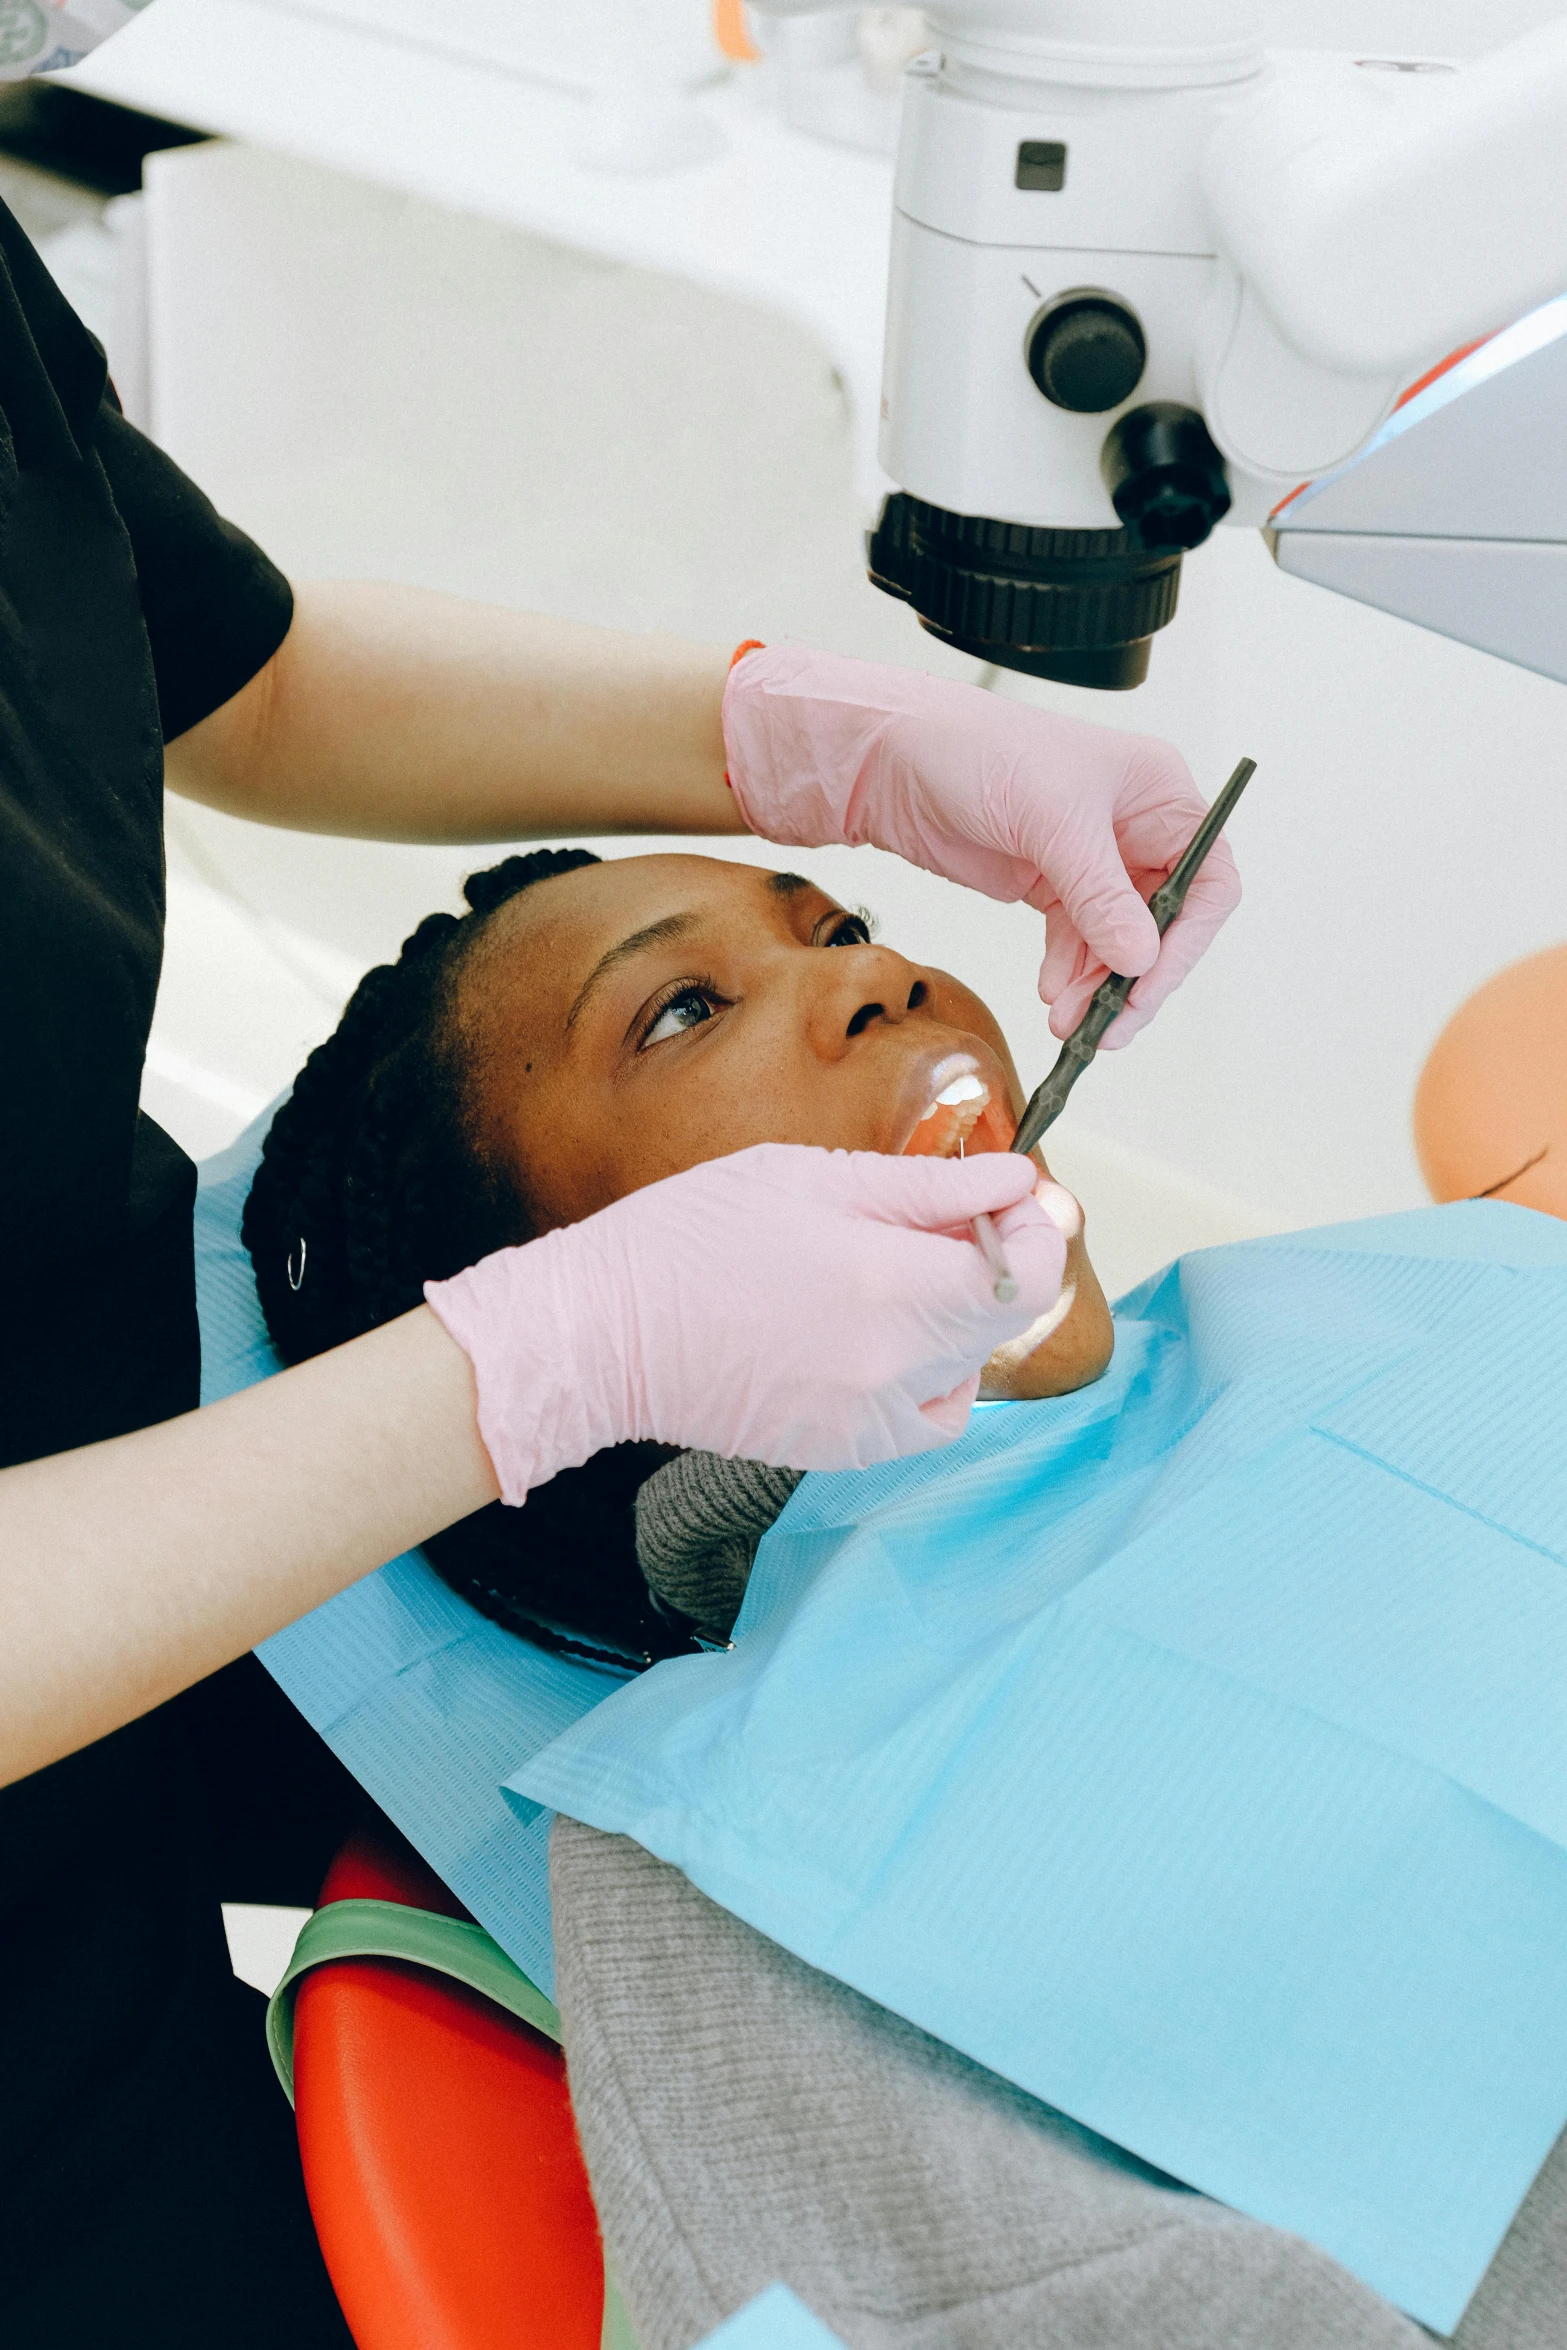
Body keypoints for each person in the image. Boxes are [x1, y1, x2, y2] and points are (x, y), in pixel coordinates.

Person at [0, 41, 1237, 2349]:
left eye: (824, 924)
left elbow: (225, 666)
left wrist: (822, 742)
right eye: (679, 1017)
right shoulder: (780, 1985)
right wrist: (526, 1372)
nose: (868, 979)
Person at [241, 844, 1113, 1660]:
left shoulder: (1228, 1328)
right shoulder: (741, 1792)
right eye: (683, 1012)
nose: (876, 970)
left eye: (841, 931)